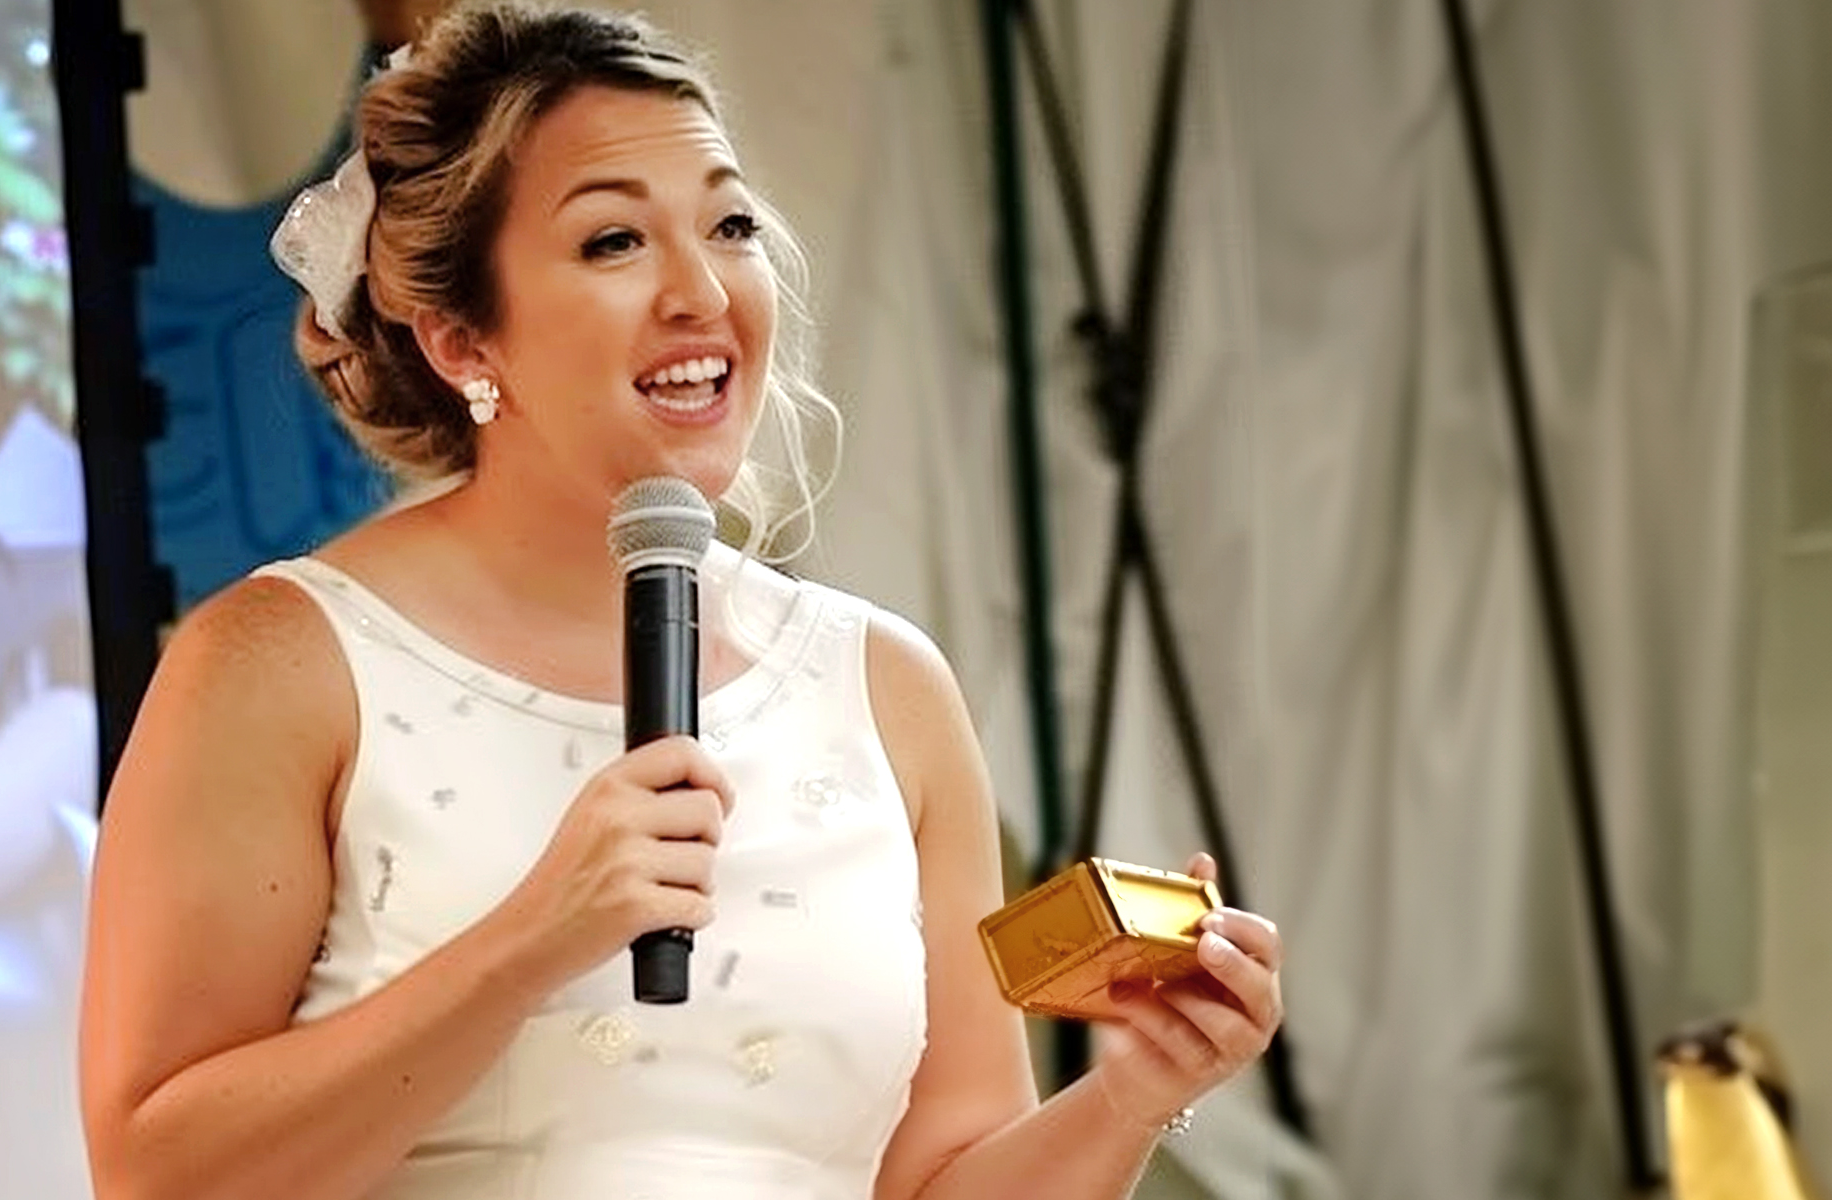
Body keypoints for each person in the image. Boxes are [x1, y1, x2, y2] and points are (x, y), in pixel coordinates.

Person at [77, 6, 1286, 1198]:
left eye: (732, 225)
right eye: (614, 242)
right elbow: (154, 1171)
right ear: (458, 339)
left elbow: (942, 1182)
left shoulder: (888, 686)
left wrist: (1130, 1096)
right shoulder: (279, 662)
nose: (701, 291)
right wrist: (537, 937)